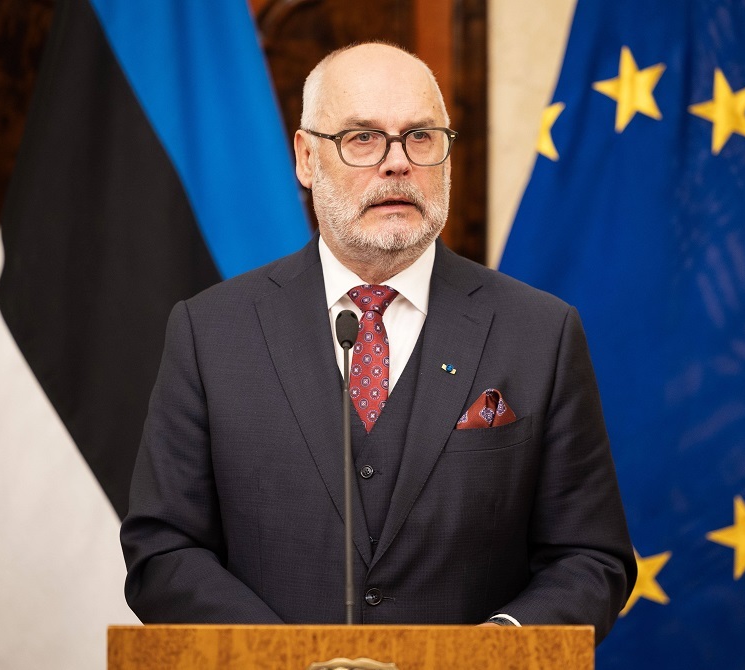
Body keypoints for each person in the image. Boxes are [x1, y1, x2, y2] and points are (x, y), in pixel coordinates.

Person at [120, 42, 636, 642]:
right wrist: (285, 658)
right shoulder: (210, 331)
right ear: (306, 158)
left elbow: (591, 558)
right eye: (362, 138)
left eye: (420, 136)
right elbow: (162, 549)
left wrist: (492, 650)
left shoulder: (541, 332)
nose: (397, 163)